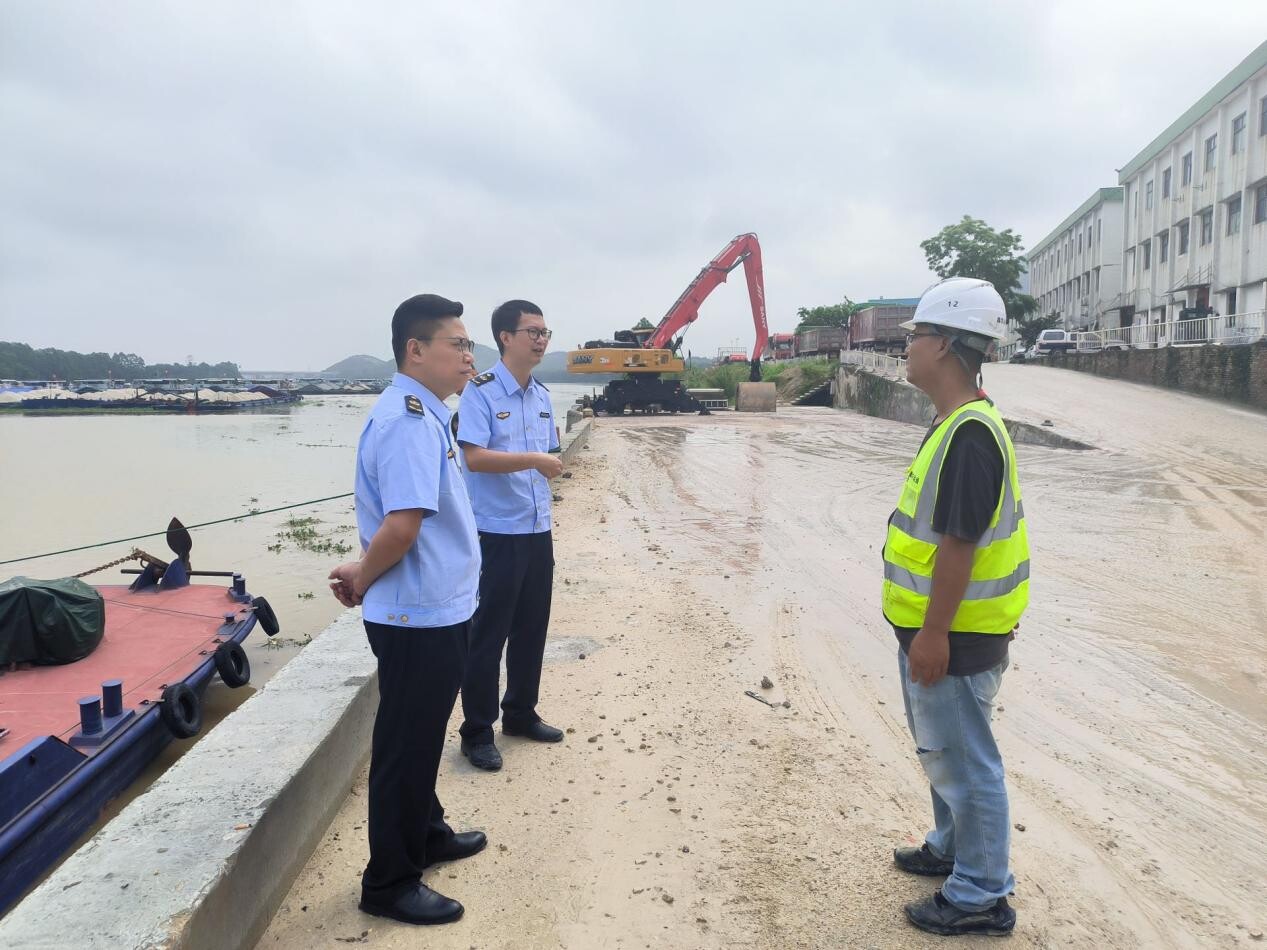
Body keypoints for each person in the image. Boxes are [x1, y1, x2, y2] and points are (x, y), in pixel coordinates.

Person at [327, 294, 486, 926]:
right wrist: (364, 577)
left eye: (470, 345)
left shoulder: (426, 415)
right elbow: (400, 526)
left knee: (421, 736)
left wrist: (362, 570)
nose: (470, 357)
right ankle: (389, 882)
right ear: (415, 350)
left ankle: (426, 832)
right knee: (405, 746)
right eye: (458, 344)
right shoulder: (408, 420)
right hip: (416, 616)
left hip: (435, 607)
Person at [882, 278, 1030, 938]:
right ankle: (950, 848)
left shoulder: (970, 434)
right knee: (942, 750)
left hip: (956, 635)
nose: (906, 348)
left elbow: (959, 544)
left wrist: (934, 634)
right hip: (943, 628)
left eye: (914, 336)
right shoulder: (957, 423)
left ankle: (980, 893)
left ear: (942, 344)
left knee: (967, 763)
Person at [455, 299, 565, 772]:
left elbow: (552, 451)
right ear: (505, 337)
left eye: (545, 333)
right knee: (488, 634)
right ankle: (477, 731)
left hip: (538, 529)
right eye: (532, 332)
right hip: (496, 532)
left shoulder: (541, 396)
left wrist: (544, 461)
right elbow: (475, 457)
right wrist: (534, 460)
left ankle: (520, 714)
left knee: (532, 628)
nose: (541, 340)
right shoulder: (479, 392)